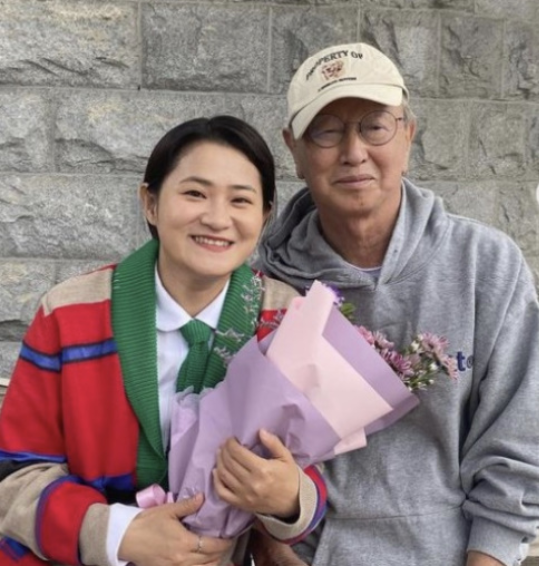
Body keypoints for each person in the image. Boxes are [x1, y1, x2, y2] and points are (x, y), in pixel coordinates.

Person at [252, 43, 539, 566]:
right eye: (326, 131)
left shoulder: (486, 265)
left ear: (408, 133)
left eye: (375, 126)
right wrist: (269, 541)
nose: (353, 151)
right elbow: (246, 445)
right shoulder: (267, 286)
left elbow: (519, 440)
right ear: (294, 147)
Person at [0, 116, 327, 566]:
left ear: (264, 216)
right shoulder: (70, 313)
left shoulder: (284, 319)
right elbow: (14, 475)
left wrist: (289, 497)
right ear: (150, 203)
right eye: (194, 194)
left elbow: (311, 466)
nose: (217, 218)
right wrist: (116, 534)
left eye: (240, 200)